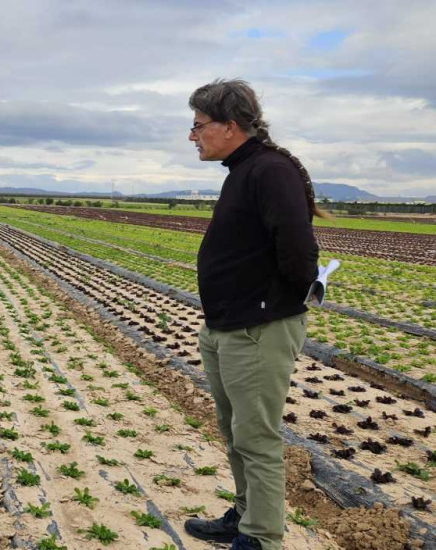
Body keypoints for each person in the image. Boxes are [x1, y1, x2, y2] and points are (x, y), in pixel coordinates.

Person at [186, 79, 322, 550]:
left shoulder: (269, 170)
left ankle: (261, 538)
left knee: (256, 438)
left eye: (199, 125)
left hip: (257, 331)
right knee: (235, 431)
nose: (192, 136)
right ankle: (245, 514)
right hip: (227, 328)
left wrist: (268, 305)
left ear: (229, 125)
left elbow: (300, 256)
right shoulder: (242, 170)